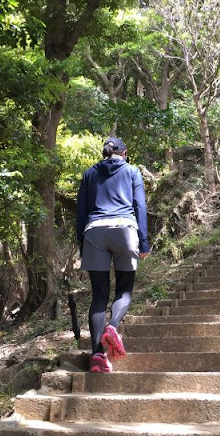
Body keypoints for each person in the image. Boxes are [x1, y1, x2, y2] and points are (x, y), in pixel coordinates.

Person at [76, 137, 150, 373]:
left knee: (99, 296)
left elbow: (81, 211)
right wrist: (144, 242)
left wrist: (82, 243)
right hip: (124, 230)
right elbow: (139, 206)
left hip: (94, 232)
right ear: (124, 152)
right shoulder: (132, 171)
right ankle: (113, 326)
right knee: (124, 290)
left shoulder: (89, 174)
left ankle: (97, 355)